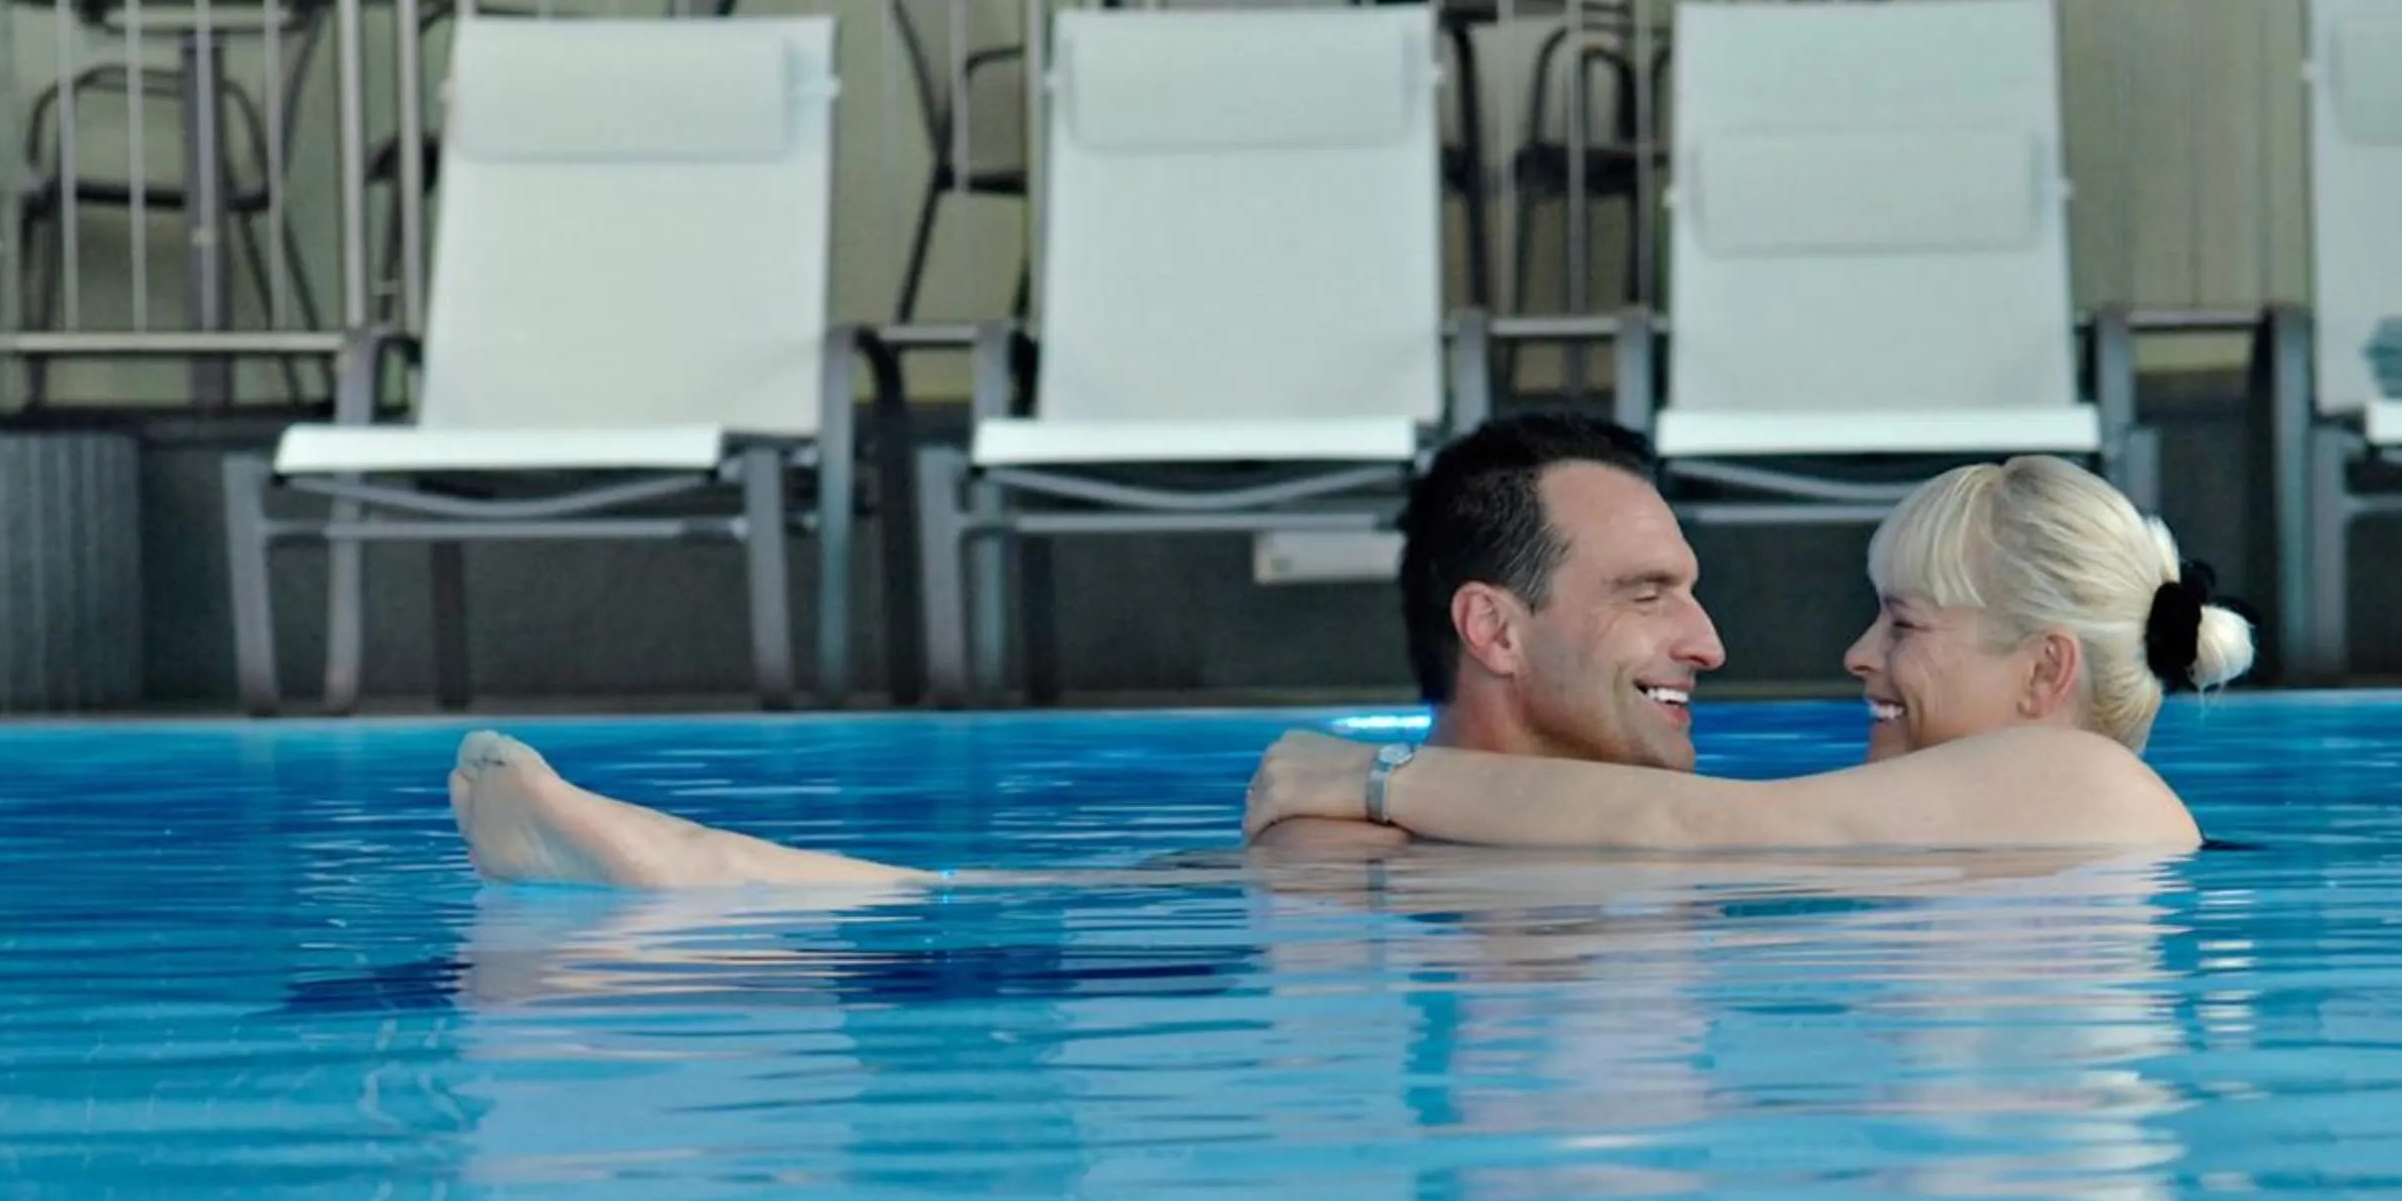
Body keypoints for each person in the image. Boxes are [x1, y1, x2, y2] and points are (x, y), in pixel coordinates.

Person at [449, 411, 1722, 887]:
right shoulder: (1343, 856)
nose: (1709, 643)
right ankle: (718, 876)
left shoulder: (1352, 812)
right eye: (1649, 593)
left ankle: (721, 877)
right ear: (1493, 628)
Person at [1244, 453, 2253, 857]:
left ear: (2046, 672)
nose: (1859, 656)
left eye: (1905, 625)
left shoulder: (2083, 776)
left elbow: (1678, 826)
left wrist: (1371, 778)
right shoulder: (2001, 816)